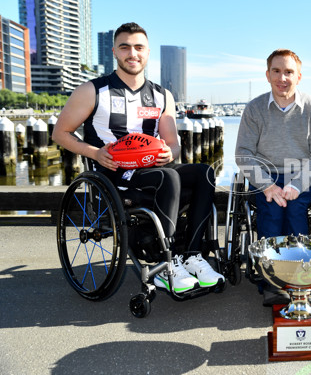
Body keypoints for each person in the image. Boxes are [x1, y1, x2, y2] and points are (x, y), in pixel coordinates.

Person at [52, 22, 224, 293]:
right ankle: (165, 266)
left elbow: (173, 145)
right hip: (114, 176)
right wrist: (95, 152)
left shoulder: (161, 95)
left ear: (147, 52)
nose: (132, 53)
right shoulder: (92, 91)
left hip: (150, 170)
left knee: (204, 172)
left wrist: (170, 152)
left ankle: (190, 256)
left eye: (139, 47)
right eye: (125, 47)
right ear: (114, 52)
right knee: (167, 176)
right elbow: (60, 133)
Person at [235, 49, 311, 304]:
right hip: (265, 174)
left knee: (296, 209)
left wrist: (298, 185)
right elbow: (243, 153)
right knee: (270, 210)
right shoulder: (255, 109)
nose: (282, 77)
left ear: (298, 76)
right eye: (276, 71)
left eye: (289, 72)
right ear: (267, 75)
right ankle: (272, 279)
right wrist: (267, 186)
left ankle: (299, 274)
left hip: (301, 174)